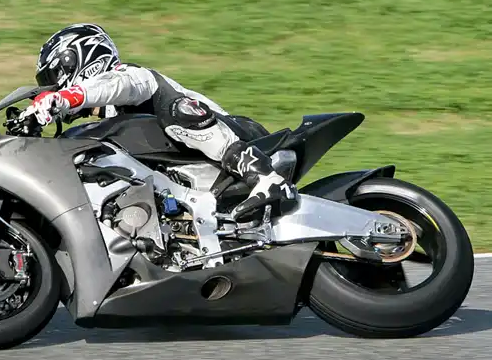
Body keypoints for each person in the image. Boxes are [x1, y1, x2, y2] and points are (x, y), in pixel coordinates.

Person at [30, 23, 299, 221]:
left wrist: (66, 97)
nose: (51, 89)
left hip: (245, 137)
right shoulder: (112, 120)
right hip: (196, 179)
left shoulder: (130, 77)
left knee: (176, 110)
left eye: (54, 79)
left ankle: (267, 179)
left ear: (75, 61)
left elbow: (118, 85)